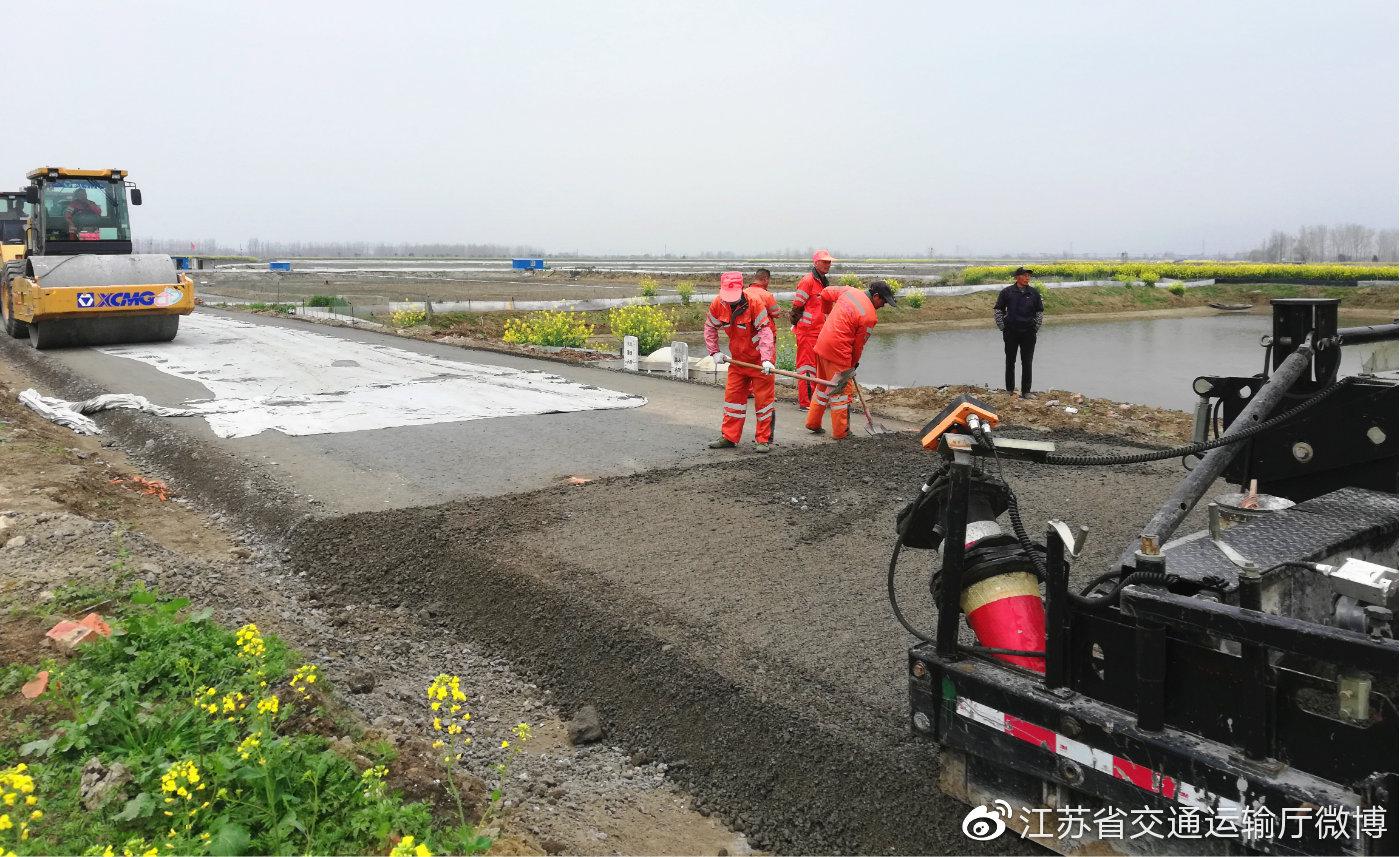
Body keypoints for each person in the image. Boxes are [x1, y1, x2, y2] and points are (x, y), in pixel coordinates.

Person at [804, 280, 897, 439]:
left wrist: (826, 313)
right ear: (876, 296)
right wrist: (852, 365)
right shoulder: (869, 316)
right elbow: (858, 345)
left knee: (822, 386)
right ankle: (841, 433)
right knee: (841, 393)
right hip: (838, 353)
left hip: (822, 345)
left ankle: (813, 423)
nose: (884, 306)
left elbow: (825, 293)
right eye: (884, 302)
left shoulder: (848, 291)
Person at [704, 271, 777, 452]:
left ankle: (763, 440)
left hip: (759, 361)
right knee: (733, 400)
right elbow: (710, 327)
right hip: (738, 360)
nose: (730, 301)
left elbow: (765, 331)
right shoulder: (718, 304)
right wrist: (714, 351)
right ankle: (729, 437)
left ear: (742, 289)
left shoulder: (755, 303)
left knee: (764, 401)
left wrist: (767, 359)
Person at [789, 250, 835, 409]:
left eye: (829, 262)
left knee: (816, 368)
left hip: (819, 332)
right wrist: (798, 323)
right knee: (806, 367)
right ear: (816, 263)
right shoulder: (808, 281)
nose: (828, 264)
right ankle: (806, 402)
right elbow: (797, 305)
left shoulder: (823, 282)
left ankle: (815, 400)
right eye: (824, 262)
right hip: (807, 332)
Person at [994, 266, 1044, 398]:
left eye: (1029, 276)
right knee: (1010, 361)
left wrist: (1035, 327)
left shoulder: (1034, 293)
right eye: (1025, 275)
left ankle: (1026, 391)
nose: (1028, 278)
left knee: (1027, 362)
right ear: (1017, 277)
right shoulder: (1007, 292)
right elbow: (998, 310)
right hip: (1011, 332)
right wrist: (1002, 327)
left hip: (1028, 333)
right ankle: (1009, 390)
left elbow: (1039, 311)